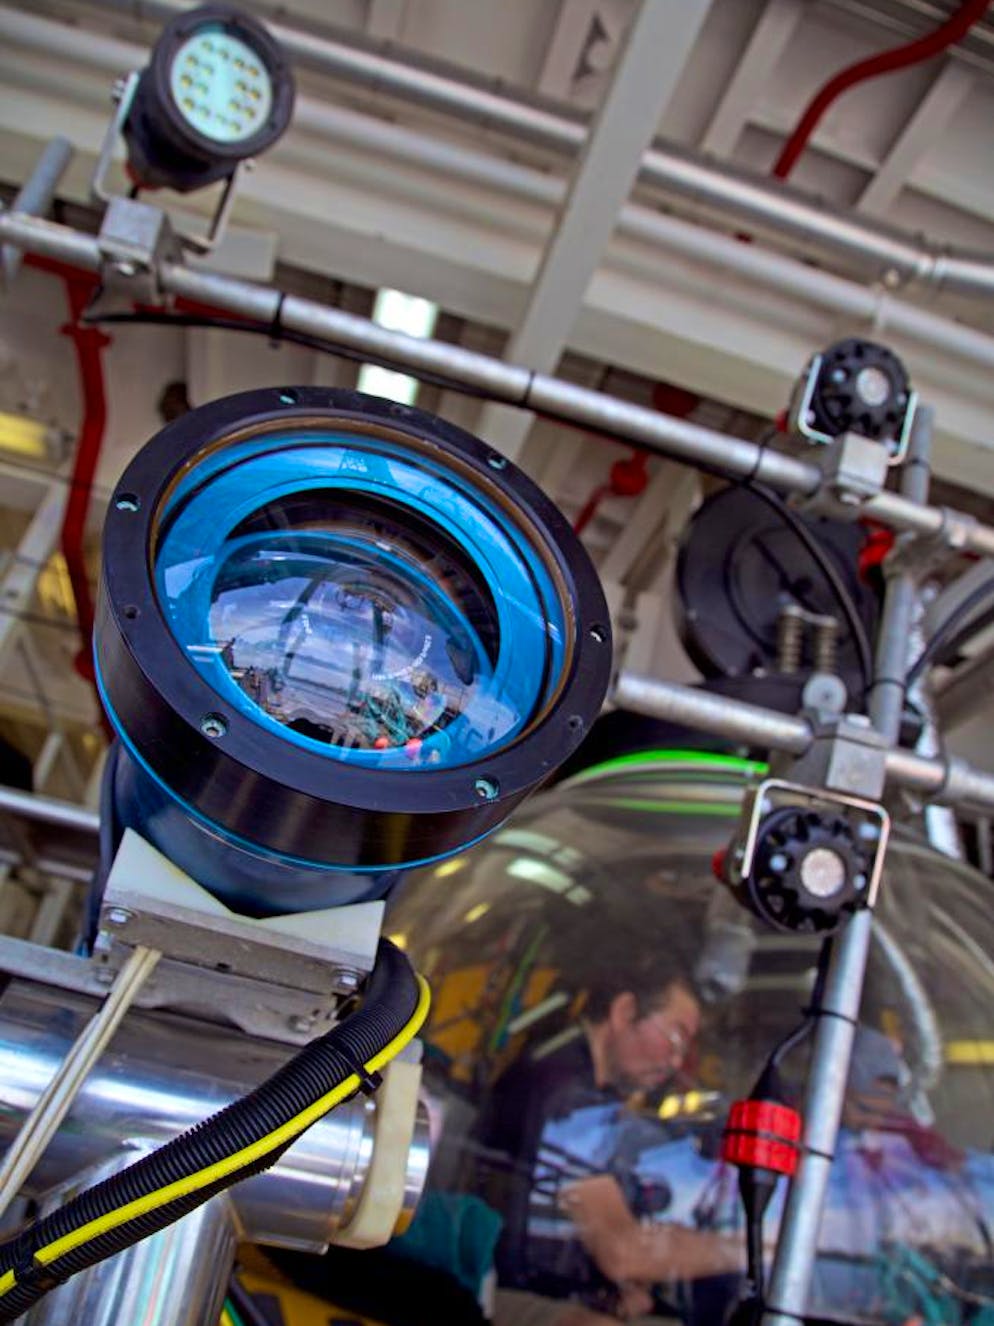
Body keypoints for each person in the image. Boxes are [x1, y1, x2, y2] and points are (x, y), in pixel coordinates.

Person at [471, 957, 743, 1324]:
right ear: (624, 1011)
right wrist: (747, 1251)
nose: (677, 1061)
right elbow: (622, 1252)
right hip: (497, 1291)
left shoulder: (571, 1077)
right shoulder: (566, 1094)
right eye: (675, 1037)